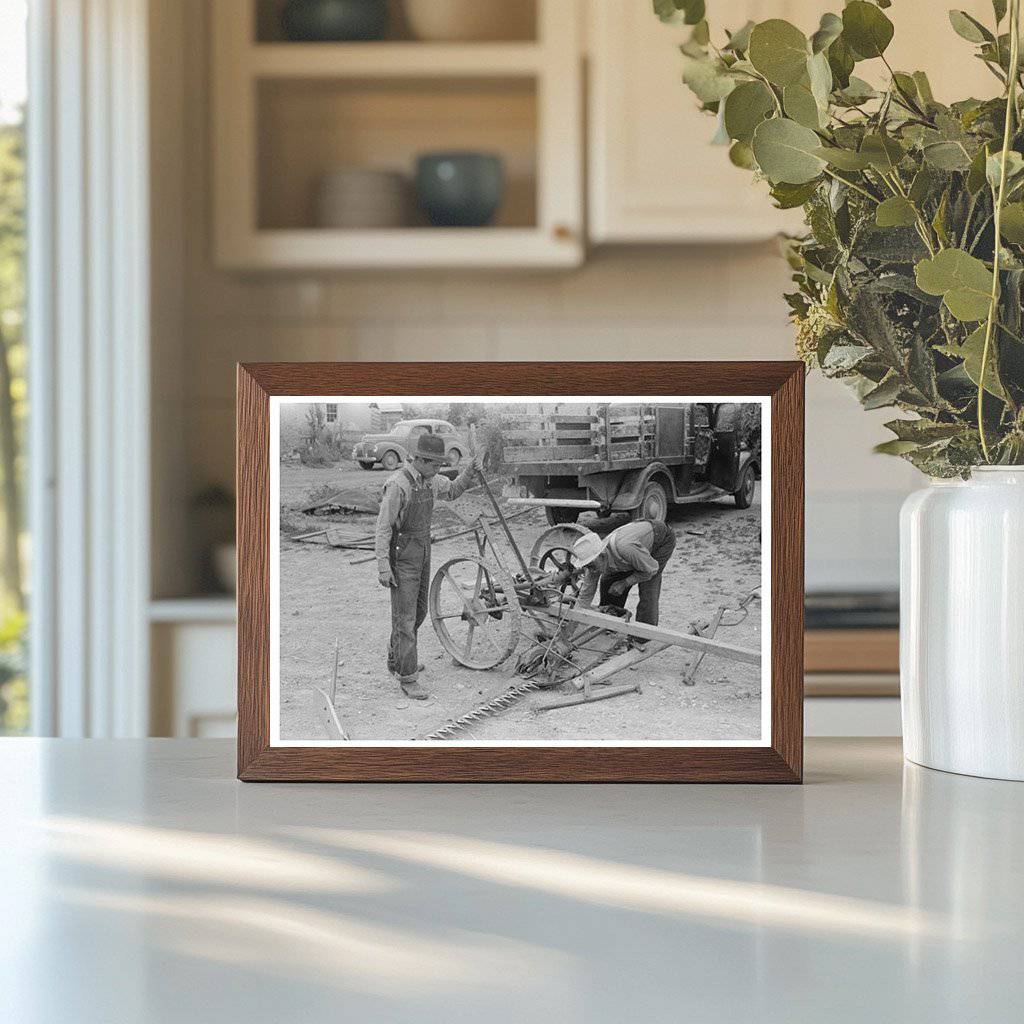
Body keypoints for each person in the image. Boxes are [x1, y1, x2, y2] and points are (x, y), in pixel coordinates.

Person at [374, 433, 483, 699]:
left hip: (423, 551)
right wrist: (383, 566)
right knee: (405, 618)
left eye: (440, 465)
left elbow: (453, 490)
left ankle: (397, 658)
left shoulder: (431, 481)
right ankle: (408, 677)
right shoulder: (398, 485)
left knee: (419, 611)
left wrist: (470, 470)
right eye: (435, 464)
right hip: (402, 556)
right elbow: (383, 528)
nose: (438, 469)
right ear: (420, 460)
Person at [571, 519, 677, 628]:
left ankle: (644, 633)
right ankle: (609, 623)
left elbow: (652, 570)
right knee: (607, 581)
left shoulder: (626, 549)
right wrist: (573, 624)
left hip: (660, 539)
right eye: (587, 566)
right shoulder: (594, 560)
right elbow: (585, 597)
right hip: (633, 546)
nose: (591, 570)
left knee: (648, 588)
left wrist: (624, 583)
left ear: (602, 555)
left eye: (591, 565)